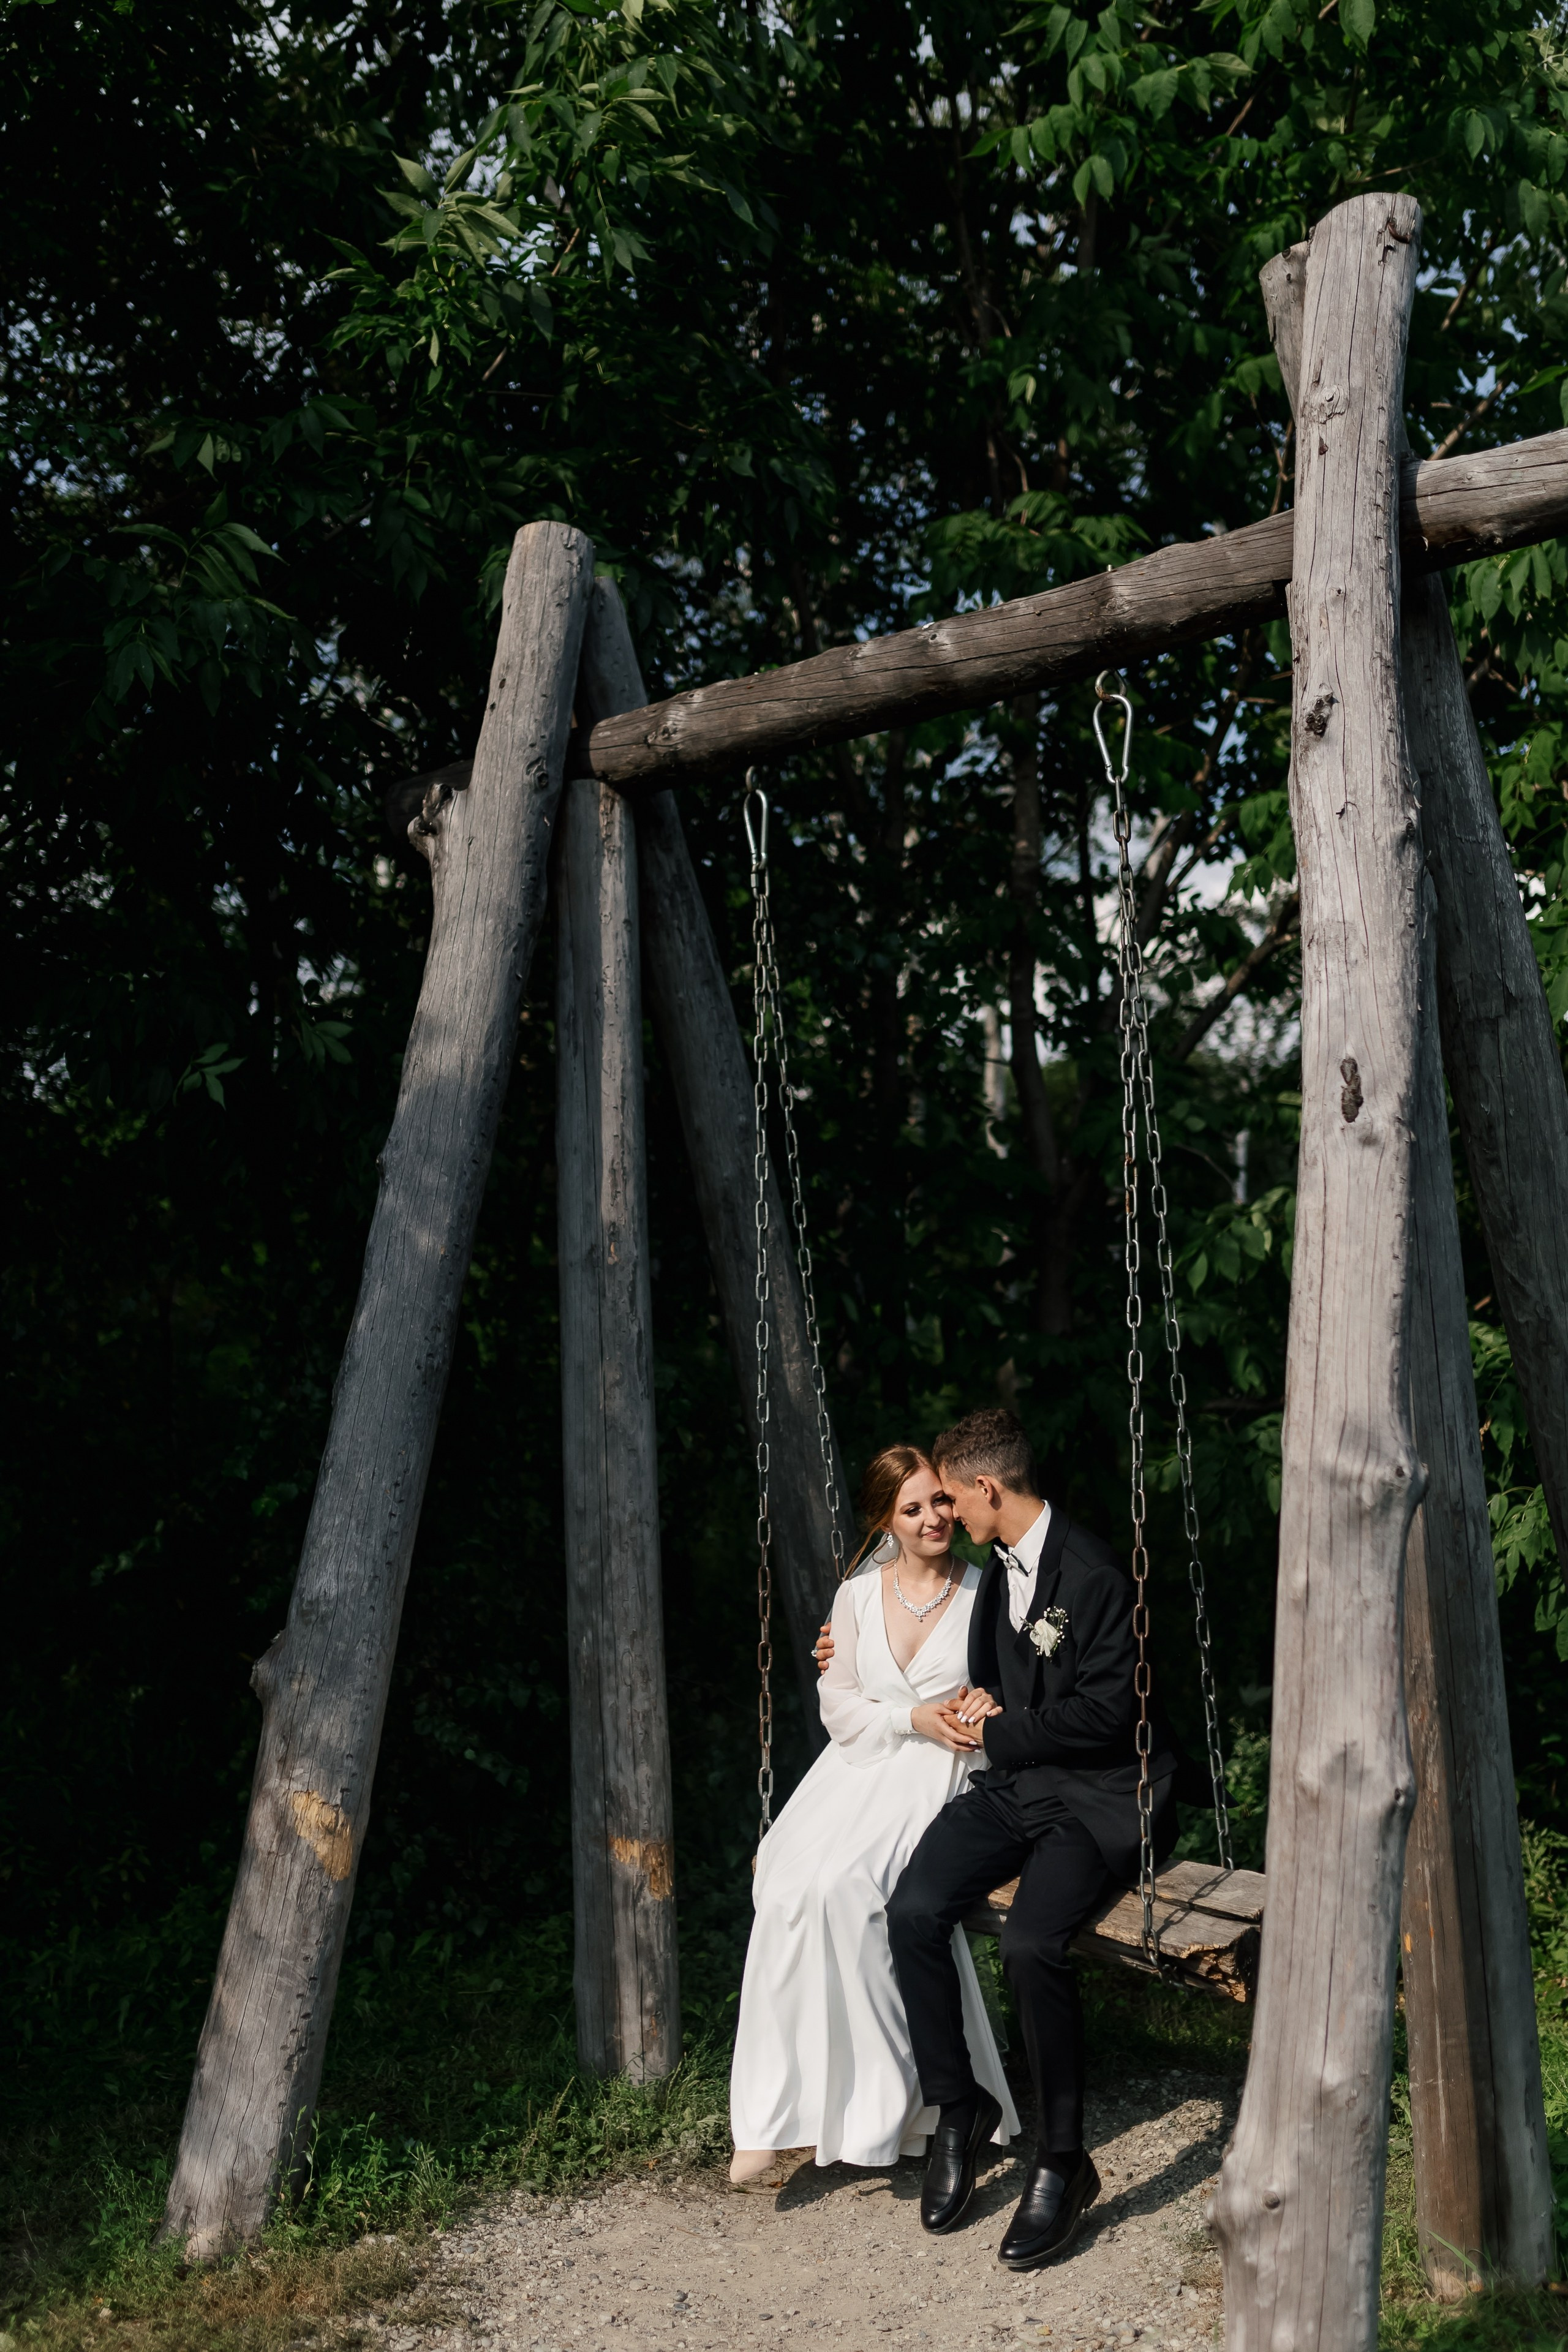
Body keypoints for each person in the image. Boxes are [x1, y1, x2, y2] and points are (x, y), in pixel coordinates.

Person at [883, 1407, 1178, 2267]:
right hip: (1017, 1786)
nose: (946, 1515)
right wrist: (979, 1705)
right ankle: (959, 2107)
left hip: (1094, 1798)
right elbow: (985, 1667)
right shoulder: (994, 1566)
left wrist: (999, 1730)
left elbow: (1109, 1713)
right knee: (913, 1907)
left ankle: (1061, 2160)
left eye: (951, 1498)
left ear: (986, 1487)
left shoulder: (1090, 1573)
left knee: (1030, 1946)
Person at [728, 1446, 1020, 2184]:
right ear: (885, 1520)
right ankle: (769, 2114)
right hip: (862, 1761)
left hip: (942, 1768)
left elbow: (1014, 1680)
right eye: (912, 1508)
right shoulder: (857, 1596)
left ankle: (895, 2105)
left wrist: (987, 1705)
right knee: (786, 1886)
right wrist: (906, 1718)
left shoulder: (987, 1590)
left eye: (938, 1503)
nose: (932, 1519)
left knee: (853, 1893)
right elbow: (840, 1702)